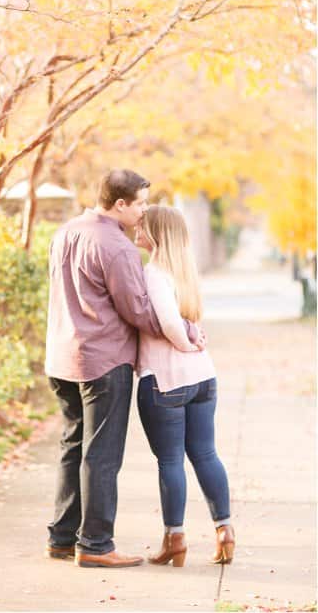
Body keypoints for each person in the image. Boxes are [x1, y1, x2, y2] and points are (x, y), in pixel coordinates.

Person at [44, 168, 205, 568]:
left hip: (61, 357)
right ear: (120, 204)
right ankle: (96, 545)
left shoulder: (66, 232)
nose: (144, 211)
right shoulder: (116, 246)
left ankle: (63, 538)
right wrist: (185, 329)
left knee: (73, 446)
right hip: (103, 361)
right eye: (141, 204)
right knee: (102, 454)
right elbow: (138, 309)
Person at [134, 205, 234, 567]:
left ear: (157, 233)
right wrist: (193, 345)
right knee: (206, 454)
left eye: (143, 226)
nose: (137, 230)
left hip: (167, 381)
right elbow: (188, 321)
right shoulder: (186, 272)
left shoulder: (155, 273)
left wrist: (185, 342)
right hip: (203, 377)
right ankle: (224, 529)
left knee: (171, 460)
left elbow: (172, 325)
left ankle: (174, 538)